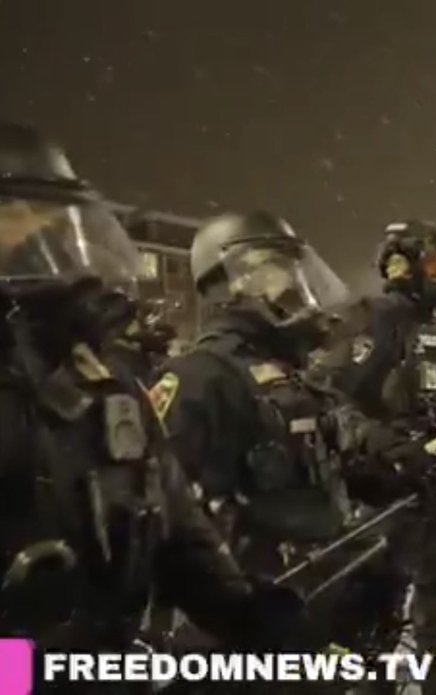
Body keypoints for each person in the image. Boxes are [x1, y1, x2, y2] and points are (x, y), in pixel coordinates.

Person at [0, 122, 314, 672]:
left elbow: (171, 517)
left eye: (48, 219)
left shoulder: (102, 378)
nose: (38, 240)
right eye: (11, 216)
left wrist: (238, 608)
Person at [148, 210, 404, 660]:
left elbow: (325, 469)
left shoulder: (293, 378)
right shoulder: (200, 377)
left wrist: (388, 469)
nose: (291, 285)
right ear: (227, 285)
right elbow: (161, 513)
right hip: (242, 624)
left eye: (293, 270)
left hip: (308, 603)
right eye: (273, 270)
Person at [323, 219, 436, 695]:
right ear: (401, 267)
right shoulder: (376, 318)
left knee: (434, 601)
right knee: (378, 613)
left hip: (427, 487)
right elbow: (329, 397)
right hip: (383, 495)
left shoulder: (431, 327)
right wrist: (380, 441)